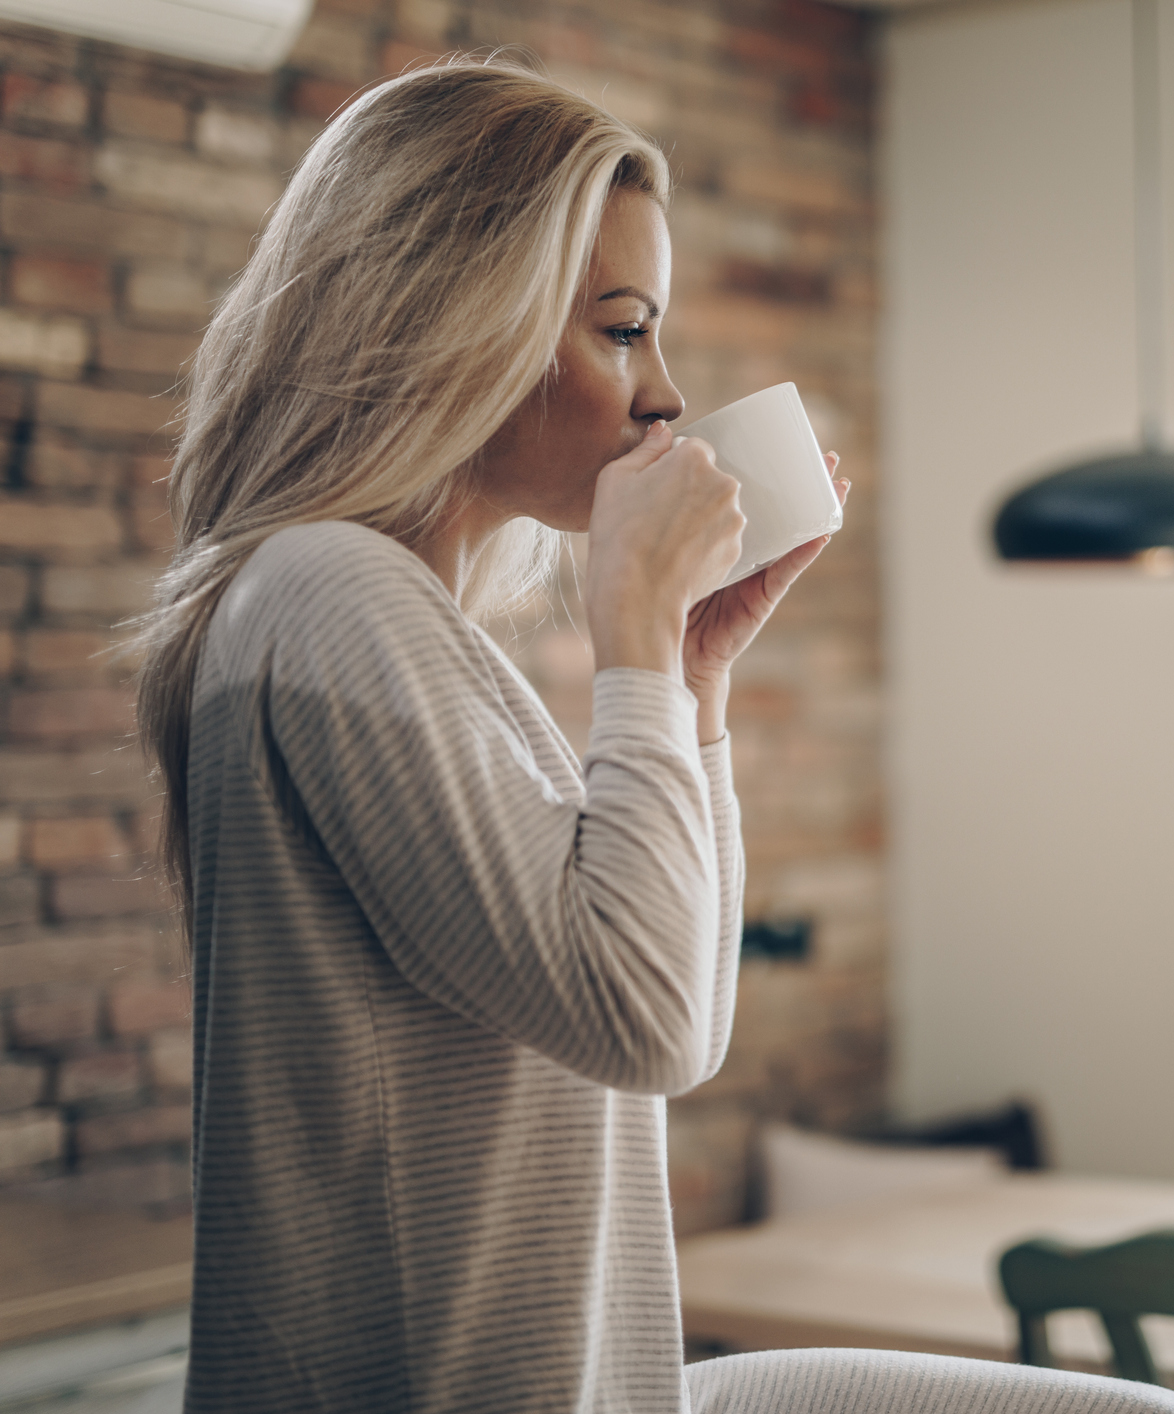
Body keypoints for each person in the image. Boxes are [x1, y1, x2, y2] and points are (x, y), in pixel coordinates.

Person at [132, 59, 837, 1413]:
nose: (664, 397)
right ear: (455, 320)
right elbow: (642, 1018)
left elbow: (680, 1018)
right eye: (622, 330)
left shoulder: (399, 623)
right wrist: (630, 622)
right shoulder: (324, 591)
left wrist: (690, 673)